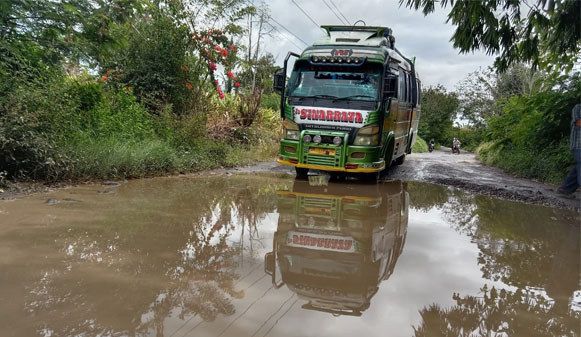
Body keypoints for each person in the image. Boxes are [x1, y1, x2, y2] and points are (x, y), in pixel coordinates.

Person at [557, 103, 581, 197]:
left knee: (578, 169)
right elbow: (578, 122)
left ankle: (565, 189)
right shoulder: (578, 108)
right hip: (578, 145)